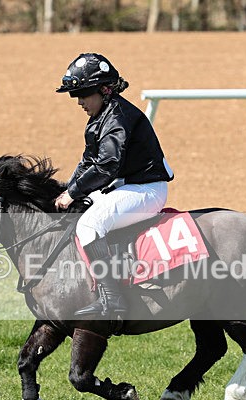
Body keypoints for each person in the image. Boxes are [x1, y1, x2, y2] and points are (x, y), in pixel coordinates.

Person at [54, 53, 174, 319]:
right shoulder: (101, 116)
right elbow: (88, 162)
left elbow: (106, 166)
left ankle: (112, 299)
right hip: (126, 187)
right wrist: (68, 190)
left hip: (147, 190)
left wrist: (73, 192)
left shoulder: (118, 117)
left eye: (84, 93)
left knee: (88, 225)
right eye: (76, 95)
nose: (80, 101)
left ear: (105, 89)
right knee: (81, 209)